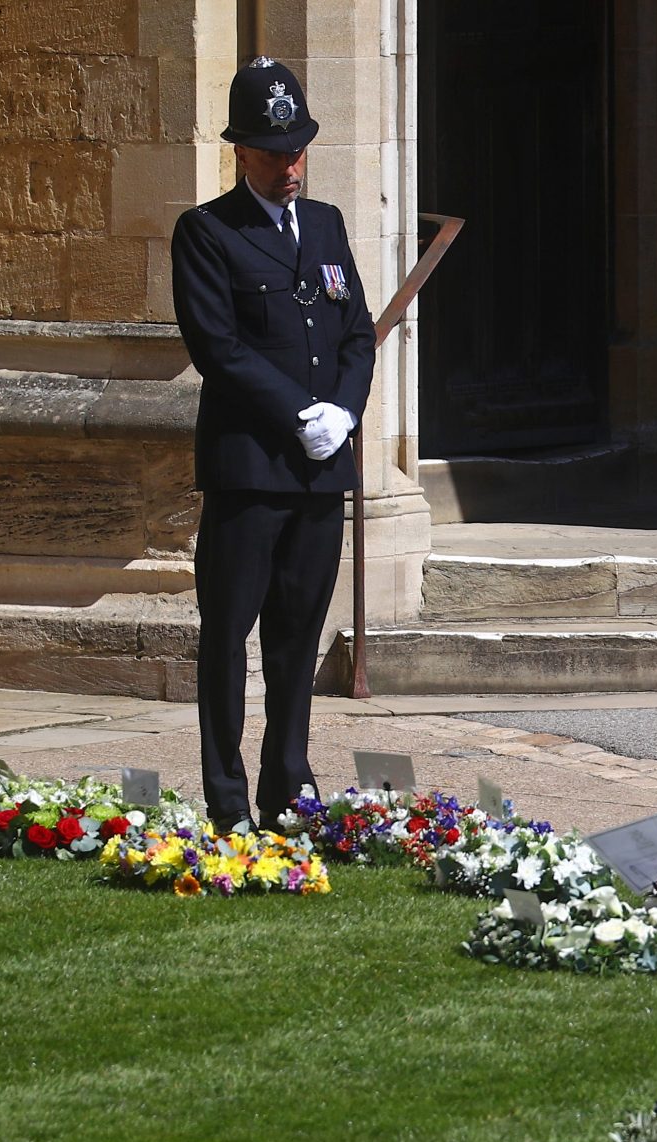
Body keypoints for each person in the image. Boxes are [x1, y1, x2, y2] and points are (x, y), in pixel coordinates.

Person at [171, 57, 378, 830]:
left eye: (299, 148)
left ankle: (287, 787)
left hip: (322, 474)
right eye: (275, 151)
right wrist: (300, 412)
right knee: (229, 638)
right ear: (241, 152)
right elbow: (217, 347)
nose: (291, 164)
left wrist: (345, 415)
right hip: (250, 473)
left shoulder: (323, 224)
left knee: (297, 640)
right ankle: (226, 799)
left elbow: (357, 332)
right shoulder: (206, 232)